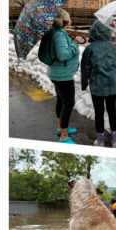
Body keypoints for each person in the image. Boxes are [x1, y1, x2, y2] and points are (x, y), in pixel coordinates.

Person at [81, 19, 116, 148]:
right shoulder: (114, 47)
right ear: (107, 32)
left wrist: (84, 85)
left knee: (99, 112)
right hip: (112, 85)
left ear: (93, 32)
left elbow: (85, 70)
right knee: (112, 111)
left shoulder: (89, 49)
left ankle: (100, 141)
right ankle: (114, 141)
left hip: (97, 86)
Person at [46, 10, 81, 144]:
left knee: (61, 100)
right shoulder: (59, 35)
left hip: (58, 72)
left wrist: (70, 40)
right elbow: (62, 55)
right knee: (68, 103)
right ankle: (64, 137)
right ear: (66, 22)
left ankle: (61, 128)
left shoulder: (55, 33)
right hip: (62, 75)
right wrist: (75, 44)